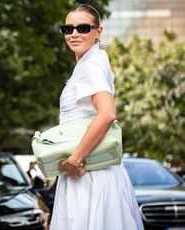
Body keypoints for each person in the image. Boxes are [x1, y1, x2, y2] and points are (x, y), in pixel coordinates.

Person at [49, 4, 144, 230]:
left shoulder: (90, 65)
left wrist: (75, 159)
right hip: (96, 169)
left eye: (83, 28)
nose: (74, 34)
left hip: (88, 173)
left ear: (98, 31)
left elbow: (107, 113)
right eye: (68, 28)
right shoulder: (94, 60)